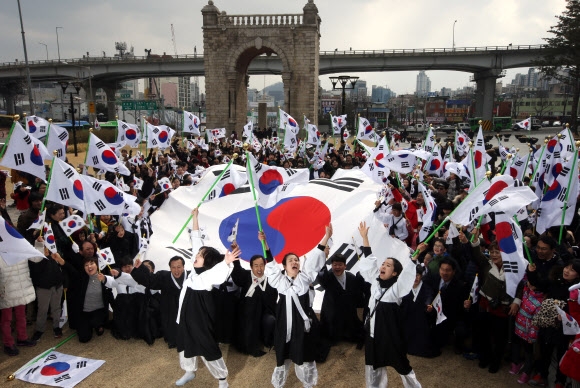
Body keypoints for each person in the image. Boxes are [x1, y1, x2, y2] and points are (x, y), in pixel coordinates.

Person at [175, 208, 240, 388]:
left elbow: (218, 274)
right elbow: (197, 240)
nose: (196, 256)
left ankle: (222, 380)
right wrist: (195, 218)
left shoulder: (207, 277)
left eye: (200, 256)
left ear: (208, 262)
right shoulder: (194, 270)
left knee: (208, 348)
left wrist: (227, 262)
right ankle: (189, 371)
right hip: (184, 315)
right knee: (184, 344)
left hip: (199, 320)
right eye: (197, 255)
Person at [357, 221, 422, 388]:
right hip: (372, 335)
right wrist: (365, 237)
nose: (383, 266)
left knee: (403, 367)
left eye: (388, 265)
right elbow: (369, 259)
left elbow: (407, 275)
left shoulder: (396, 289)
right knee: (373, 366)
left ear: (394, 272)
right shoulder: (374, 282)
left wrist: (414, 258)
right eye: (383, 264)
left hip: (391, 337)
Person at [267, 224, 332, 388]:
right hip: (284, 325)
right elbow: (271, 265)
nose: (294, 262)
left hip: (303, 326)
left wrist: (326, 237)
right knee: (283, 355)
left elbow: (315, 258)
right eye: (290, 260)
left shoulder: (305, 278)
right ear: (284, 266)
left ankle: (308, 384)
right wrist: (265, 244)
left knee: (305, 355)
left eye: (296, 260)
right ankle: (279, 384)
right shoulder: (279, 281)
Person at [230, 231, 278, 357]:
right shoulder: (246, 276)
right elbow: (237, 270)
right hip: (246, 313)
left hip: (265, 313)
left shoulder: (271, 280)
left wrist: (264, 242)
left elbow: (273, 300)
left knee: (271, 320)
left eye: (261, 265)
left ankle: (268, 342)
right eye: (256, 265)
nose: (259, 268)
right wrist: (235, 255)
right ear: (251, 267)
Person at [131, 254, 189, 349]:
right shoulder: (164, 276)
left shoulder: (190, 277)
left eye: (179, 267)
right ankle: (173, 340)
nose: (176, 270)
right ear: (170, 268)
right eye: (173, 267)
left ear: (183, 266)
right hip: (170, 306)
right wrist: (140, 268)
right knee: (170, 322)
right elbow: (150, 280)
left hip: (186, 306)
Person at [317, 252, 365, 347]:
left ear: (345, 266)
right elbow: (321, 276)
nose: (337, 267)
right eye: (335, 265)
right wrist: (323, 256)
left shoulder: (351, 277)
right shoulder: (328, 277)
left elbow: (358, 291)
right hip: (332, 311)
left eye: (340, 265)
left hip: (347, 310)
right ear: (331, 265)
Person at [62, 255, 114, 343]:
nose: (89, 266)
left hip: (99, 311)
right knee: (84, 338)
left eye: (91, 263)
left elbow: (111, 296)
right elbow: (71, 269)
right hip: (84, 312)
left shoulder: (104, 278)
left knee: (98, 327)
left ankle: (98, 324)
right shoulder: (82, 278)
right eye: (86, 265)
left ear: (97, 265)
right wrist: (60, 260)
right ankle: (91, 325)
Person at [0, 252, 43, 356]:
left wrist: (39, 243)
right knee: (6, 319)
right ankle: (8, 344)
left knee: (21, 315)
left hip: (21, 288)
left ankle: (22, 338)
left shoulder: (20, 247)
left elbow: (36, 258)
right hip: (6, 290)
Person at [401, 264, 440, 358]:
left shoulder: (426, 287)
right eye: (413, 275)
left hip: (421, 318)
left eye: (417, 275)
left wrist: (428, 305)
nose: (415, 278)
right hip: (407, 317)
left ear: (421, 275)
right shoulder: (405, 287)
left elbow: (429, 297)